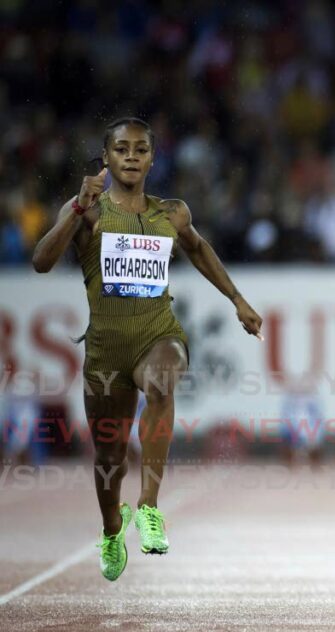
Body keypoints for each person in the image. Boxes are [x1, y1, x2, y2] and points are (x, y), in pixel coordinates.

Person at [32, 117, 263, 581]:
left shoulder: (172, 213)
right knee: (109, 458)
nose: (132, 156)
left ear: (153, 159)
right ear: (107, 158)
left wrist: (237, 299)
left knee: (163, 381)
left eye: (141, 149)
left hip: (158, 330)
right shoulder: (88, 211)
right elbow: (41, 261)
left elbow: (198, 250)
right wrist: (77, 208)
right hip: (105, 346)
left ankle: (149, 507)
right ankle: (112, 527)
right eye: (122, 149)